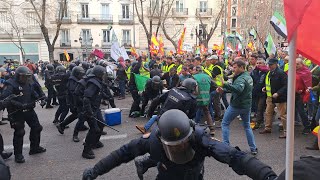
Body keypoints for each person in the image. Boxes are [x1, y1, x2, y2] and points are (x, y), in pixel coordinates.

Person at [82, 109, 277, 180]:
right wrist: (95, 170)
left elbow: (235, 157)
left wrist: (266, 175)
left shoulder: (200, 139)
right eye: (172, 146)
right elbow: (121, 154)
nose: (177, 149)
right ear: (161, 140)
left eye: (181, 144)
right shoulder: (152, 140)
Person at [1, 66, 46, 163]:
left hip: (29, 110)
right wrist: (19, 105)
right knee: (19, 132)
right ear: (18, 76)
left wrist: (40, 99)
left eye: (27, 76)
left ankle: (34, 148)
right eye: (23, 77)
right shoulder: (10, 84)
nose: (25, 78)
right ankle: (18, 154)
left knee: (37, 127)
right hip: (16, 112)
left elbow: (32, 92)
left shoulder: (28, 82)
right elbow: (6, 99)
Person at [217, 60, 258, 155]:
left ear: (241, 67)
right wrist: (224, 90)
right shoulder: (248, 76)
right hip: (246, 105)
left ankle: (226, 146)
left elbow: (238, 89)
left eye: (235, 67)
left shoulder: (241, 79)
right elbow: (237, 89)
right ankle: (253, 148)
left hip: (237, 105)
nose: (233, 69)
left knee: (225, 123)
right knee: (247, 126)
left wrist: (225, 84)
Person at [81, 65, 107, 159]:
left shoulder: (98, 81)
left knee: (101, 124)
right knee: (94, 129)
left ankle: (95, 143)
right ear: (99, 74)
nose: (104, 75)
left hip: (96, 108)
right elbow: (86, 99)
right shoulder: (93, 83)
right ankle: (86, 150)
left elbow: (98, 93)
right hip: (91, 109)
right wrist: (89, 112)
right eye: (103, 74)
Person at [259, 58, 287, 138]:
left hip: (280, 97)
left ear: (276, 64)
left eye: (271, 65)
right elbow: (268, 83)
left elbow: (286, 85)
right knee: (268, 112)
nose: (269, 66)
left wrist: (278, 93)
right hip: (270, 96)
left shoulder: (281, 73)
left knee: (283, 115)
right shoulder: (269, 72)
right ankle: (267, 128)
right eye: (269, 64)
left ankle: (286, 132)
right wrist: (265, 88)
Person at [193, 65, 215, 136]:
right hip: (206, 98)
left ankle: (195, 129)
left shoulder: (194, 77)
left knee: (195, 113)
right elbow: (214, 86)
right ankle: (212, 129)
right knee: (207, 112)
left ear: (197, 70)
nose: (193, 72)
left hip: (197, 99)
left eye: (194, 70)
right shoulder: (208, 76)